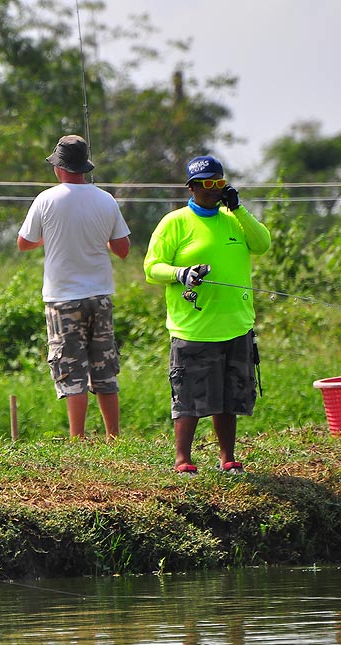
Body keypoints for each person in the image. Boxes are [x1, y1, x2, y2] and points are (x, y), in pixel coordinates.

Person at [143, 155, 271, 475]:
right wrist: (181, 273)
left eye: (219, 183)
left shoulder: (234, 220)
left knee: (229, 398)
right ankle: (183, 459)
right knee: (188, 397)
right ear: (192, 188)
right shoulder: (174, 222)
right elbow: (151, 268)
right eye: (207, 184)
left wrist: (238, 208)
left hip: (236, 326)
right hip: (194, 329)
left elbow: (262, 243)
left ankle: (227, 458)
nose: (215, 190)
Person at [18, 135, 131, 438]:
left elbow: (24, 243)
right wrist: (100, 236)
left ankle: (78, 438)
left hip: (63, 298)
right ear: (84, 167)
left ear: (60, 167)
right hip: (100, 295)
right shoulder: (106, 199)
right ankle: (113, 437)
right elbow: (122, 249)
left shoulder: (46, 199)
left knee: (71, 371)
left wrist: (50, 237)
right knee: (104, 367)